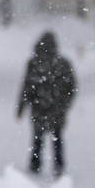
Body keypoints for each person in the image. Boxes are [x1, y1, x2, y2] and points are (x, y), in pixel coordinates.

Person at [16, 31, 76, 177]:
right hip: (57, 110)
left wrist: (21, 108)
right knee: (57, 139)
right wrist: (64, 104)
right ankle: (59, 165)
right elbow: (72, 87)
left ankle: (35, 164)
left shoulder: (34, 63)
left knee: (38, 138)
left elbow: (26, 87)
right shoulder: (62, 63)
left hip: (39, 109)